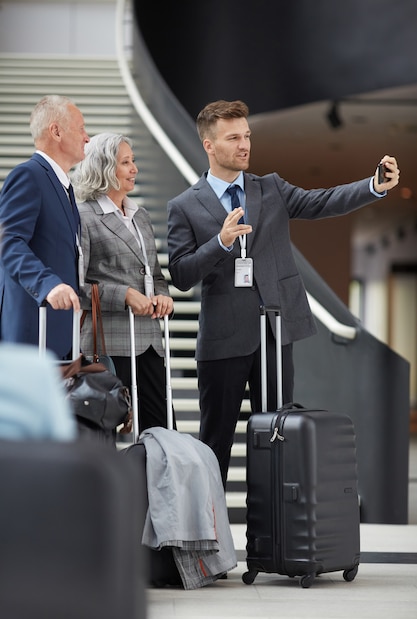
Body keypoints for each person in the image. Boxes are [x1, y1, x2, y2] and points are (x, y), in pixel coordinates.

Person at [167, 99, 400, 487]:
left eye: (247, 136)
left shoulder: (271, 188)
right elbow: (180, 274)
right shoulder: (185, 206)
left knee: (277, 439)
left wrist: (373, 185)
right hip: (222, 341)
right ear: (209, 145)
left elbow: (321, 201)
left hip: (275, 333)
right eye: (233, 138)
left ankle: (271, 541)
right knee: (215, 445)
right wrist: (220, 243)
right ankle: (208, 539)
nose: (245, 145)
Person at [72, 132, 174, 432]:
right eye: (126, 162)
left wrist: (162, 295)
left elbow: (153, 274)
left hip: (150, 341)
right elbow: (75, 287)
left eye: (134, 161)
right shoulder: (83, 217)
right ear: (105, 168)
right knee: (107, 429)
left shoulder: (140, 215)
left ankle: (155, 481)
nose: (134, 169)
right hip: (109, 343)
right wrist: (124, 294)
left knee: (163, 429)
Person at [0, 95, 89, 359]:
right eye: (81, 128)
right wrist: (48, 284)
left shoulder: (65, 187)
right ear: (56, 131)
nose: (87, 137)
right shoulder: (28, 175)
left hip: (59, 334)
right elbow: (9, 242)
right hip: (32, 332)